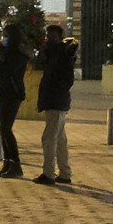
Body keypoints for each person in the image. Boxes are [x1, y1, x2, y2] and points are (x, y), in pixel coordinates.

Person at [33, 21, 79, 185]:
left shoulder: (63, 55)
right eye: (47, 36)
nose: (49, 40)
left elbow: (67, 79)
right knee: (59, 139)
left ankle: (48, 173)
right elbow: (39, 66)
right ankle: (65, 173)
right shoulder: (51, 54)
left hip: (57, 101)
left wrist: (57, 92)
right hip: (53, 100)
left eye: (52, 37)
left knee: (49, 138)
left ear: (59, 38)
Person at [0, 19, 32, 178]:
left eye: (6, 35)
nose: (3, 37)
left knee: (6, 128)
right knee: (1, 129)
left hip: (11, 93)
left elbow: (8, 70)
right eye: (2, 34)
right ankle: (7, 162)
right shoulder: (0, 50)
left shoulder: (19, 53)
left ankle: (16, 164)